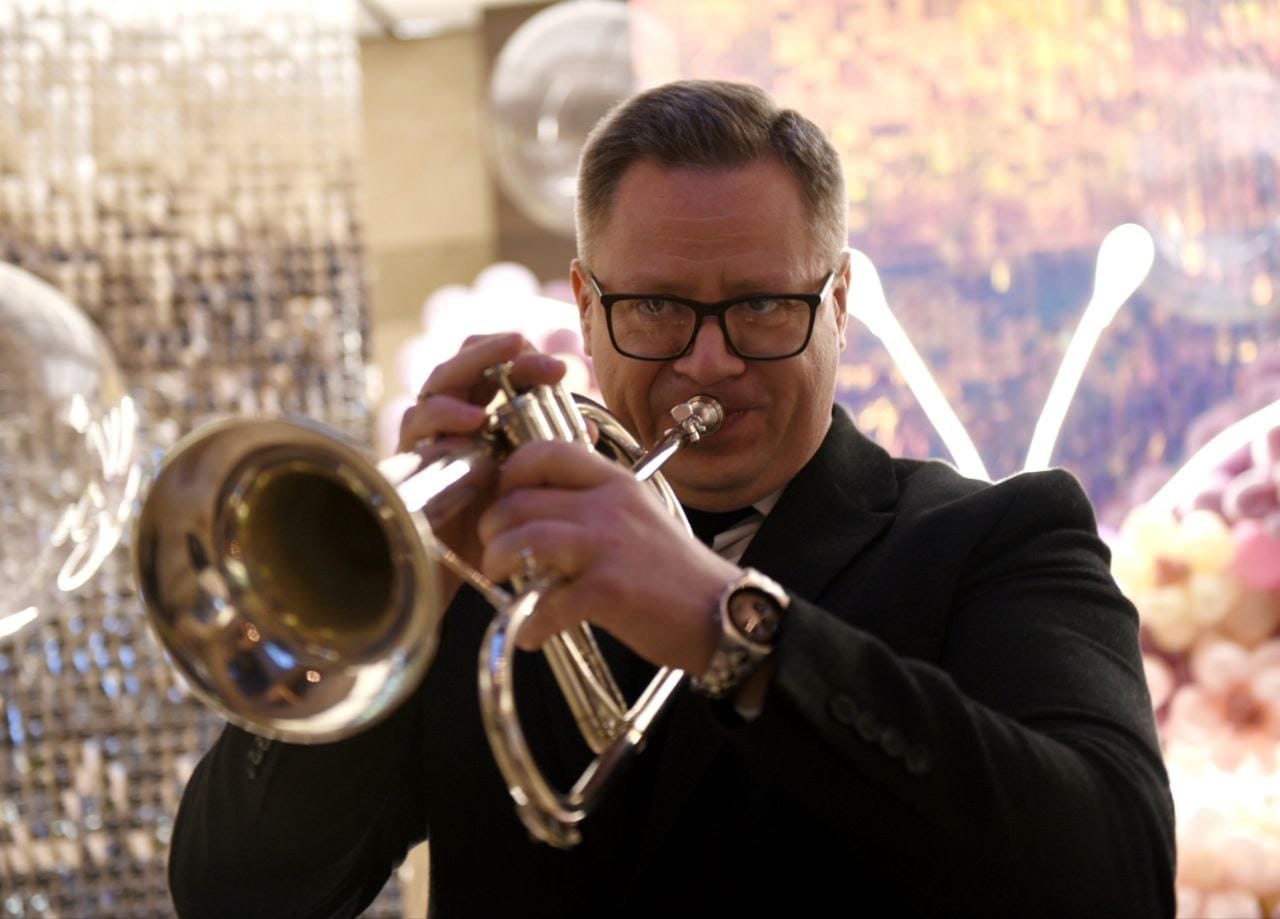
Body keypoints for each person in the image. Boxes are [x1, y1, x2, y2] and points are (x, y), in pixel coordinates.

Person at [168, 80, 1175, 917]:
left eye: (761, 305)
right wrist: (390, 596)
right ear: (585, 306)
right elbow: (236, 896)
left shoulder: (999, 538)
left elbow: (1116, 876)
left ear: (836, 303)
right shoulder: (488, 563)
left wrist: (721, 619)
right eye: (654, 306)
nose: (709, 362)